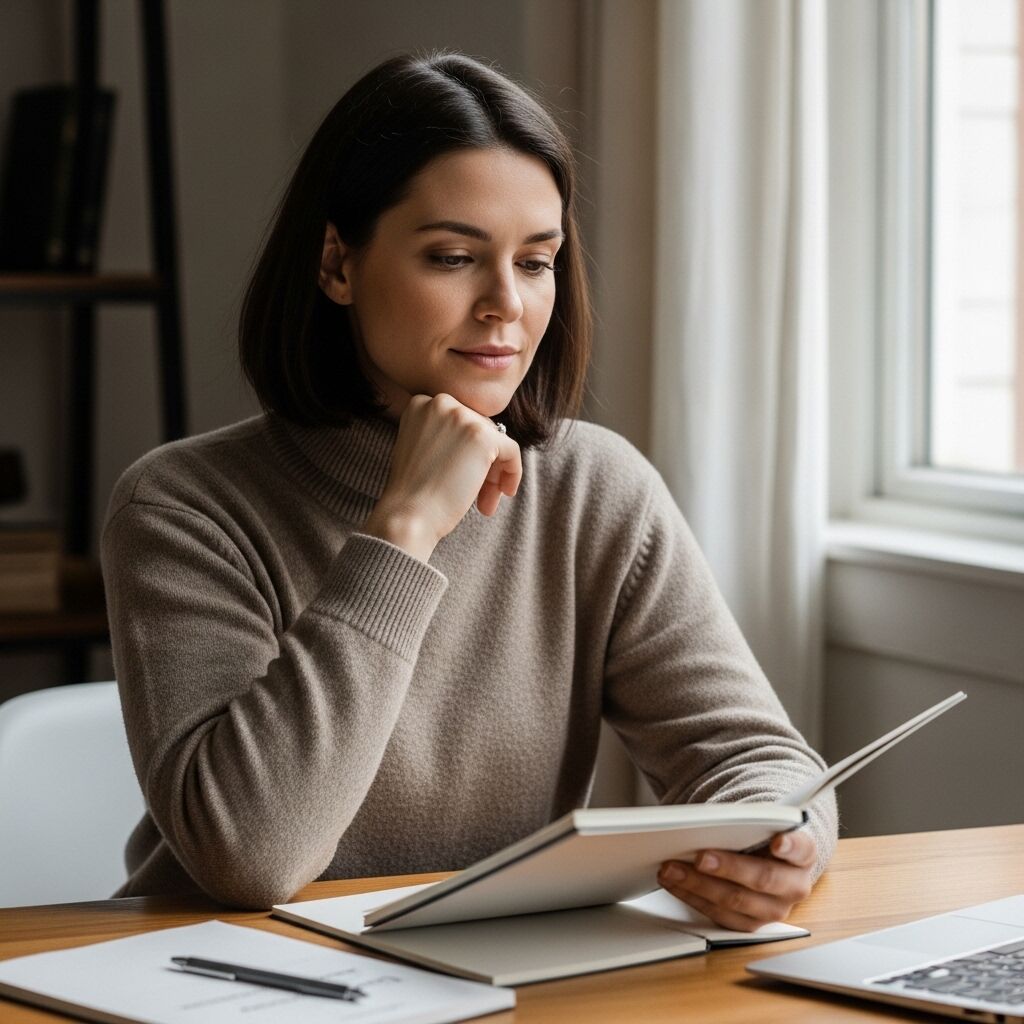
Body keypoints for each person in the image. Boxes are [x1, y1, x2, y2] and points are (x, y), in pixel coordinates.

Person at [101, 51, 837, 928]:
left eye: (536, 262)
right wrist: (404, 529)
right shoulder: (182, 506)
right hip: (220, 984)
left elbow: (757, 755)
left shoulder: (595, 488)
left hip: (487, 977)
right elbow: (251, 857)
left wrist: (779, 839)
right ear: (337, 264)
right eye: (454, 257)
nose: (505, 305)